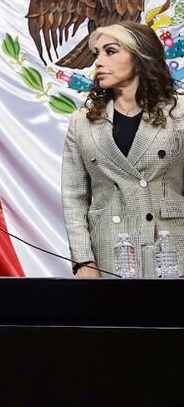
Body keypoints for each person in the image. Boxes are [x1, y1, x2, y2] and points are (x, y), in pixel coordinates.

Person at [62, 22, 184, 278]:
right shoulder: (82, 121)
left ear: (139, 57)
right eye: (97, 54)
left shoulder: (179, 113)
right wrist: (83, 260)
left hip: (172, 250)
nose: (99, 62)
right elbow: (74, 196)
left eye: (110, 51)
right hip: (111, 252)